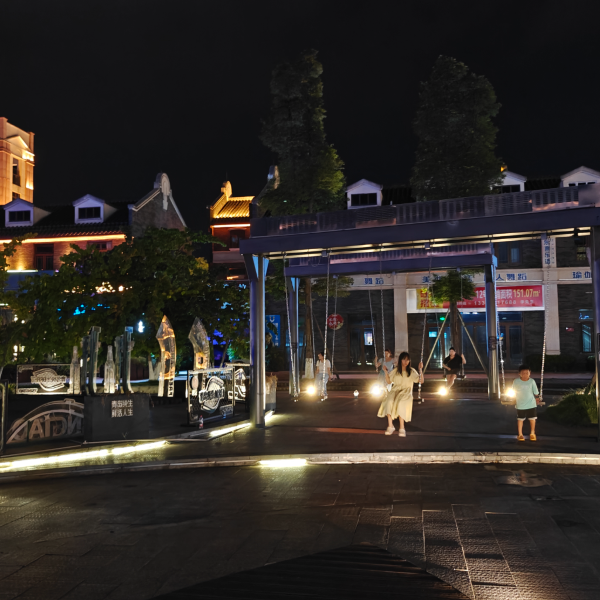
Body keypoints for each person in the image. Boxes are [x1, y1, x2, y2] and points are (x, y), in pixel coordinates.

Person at [377, 351, 424, 437]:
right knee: (389, 401)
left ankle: (402, 428)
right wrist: (386, 372)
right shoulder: (396, 371)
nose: (406, 362)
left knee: (401, 403)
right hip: (395, 390)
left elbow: (421, 381)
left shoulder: (411, 371)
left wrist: (420, 369)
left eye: (407, 360)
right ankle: (390, 426)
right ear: (400, 360)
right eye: (404, 359)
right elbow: (389, 381)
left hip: (406, 392)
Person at [512, 364, 541, 441]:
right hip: (520, 404)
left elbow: (535, 391)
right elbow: (513, 391)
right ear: (519, 373)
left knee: (532, 419)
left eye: (527, 373)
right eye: (523, 373)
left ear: (529, 373)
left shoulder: (532, 381)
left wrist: (537, 398)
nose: (525, 375)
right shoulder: (516, 381)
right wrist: (513, 398)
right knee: (520, 419)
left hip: (531, 403)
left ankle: (532, 433)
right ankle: (520, 434)